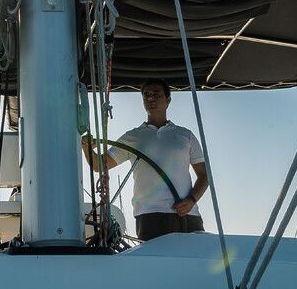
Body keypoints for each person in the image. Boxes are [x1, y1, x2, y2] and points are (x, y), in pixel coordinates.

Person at [81, 79, 208, 241]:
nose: (150, 98)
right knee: (155, 266)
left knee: (194, 264)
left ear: (168, 100)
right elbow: (99, 165)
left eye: (156, 94)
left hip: (187, 214)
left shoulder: (185, 135)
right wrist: (87, 148)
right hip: (149, 216)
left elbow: (204, 175)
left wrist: (191, 201)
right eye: (146, 95)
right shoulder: (132, 137)